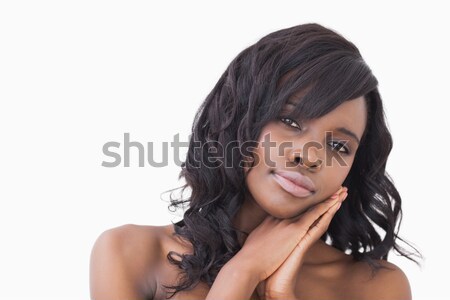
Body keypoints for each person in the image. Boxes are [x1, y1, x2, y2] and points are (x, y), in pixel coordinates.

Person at [90, 23, 422, 300]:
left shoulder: (375, 287)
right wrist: (242, 272)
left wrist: (280, 294)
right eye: (290, 121)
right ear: (237, 120)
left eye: (338, 145)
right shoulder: (130, 254)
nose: (308, 156)